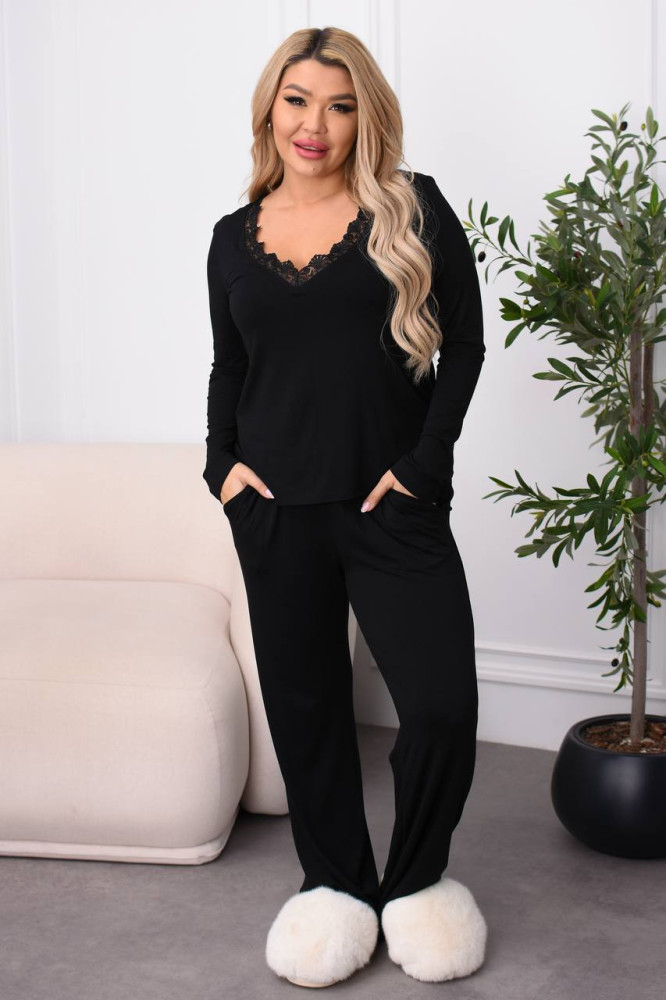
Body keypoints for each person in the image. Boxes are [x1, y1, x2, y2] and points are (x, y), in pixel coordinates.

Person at [203, 25, 488, 989]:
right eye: (297, 101)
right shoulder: (231, 238)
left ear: (365, 117)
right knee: (307, 714)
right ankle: (334, 887)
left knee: (441, 708)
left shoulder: (413, 207)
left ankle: (414, 885)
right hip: (276, 510)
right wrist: (221, 467)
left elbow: (465, 346)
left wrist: (423, 466)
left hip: (391, 509)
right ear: (270, 108)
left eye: (339, 105)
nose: (314, 125)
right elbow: (230, 364)